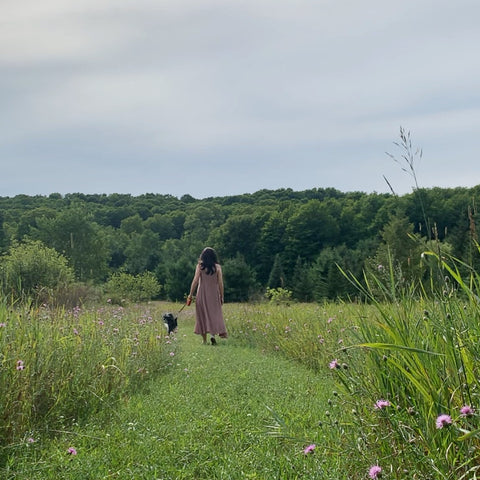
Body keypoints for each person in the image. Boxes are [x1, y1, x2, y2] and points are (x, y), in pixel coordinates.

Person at [188, 247, 227, 345]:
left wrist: (190, 294)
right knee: (214, 315)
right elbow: (220, 283)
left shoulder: (200, 266)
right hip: (214, 294)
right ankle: (212, 335)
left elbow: (195, 280)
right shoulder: (217, 267)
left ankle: (204, 340)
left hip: (201, 293)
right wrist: (221, 296)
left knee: (202, 315)